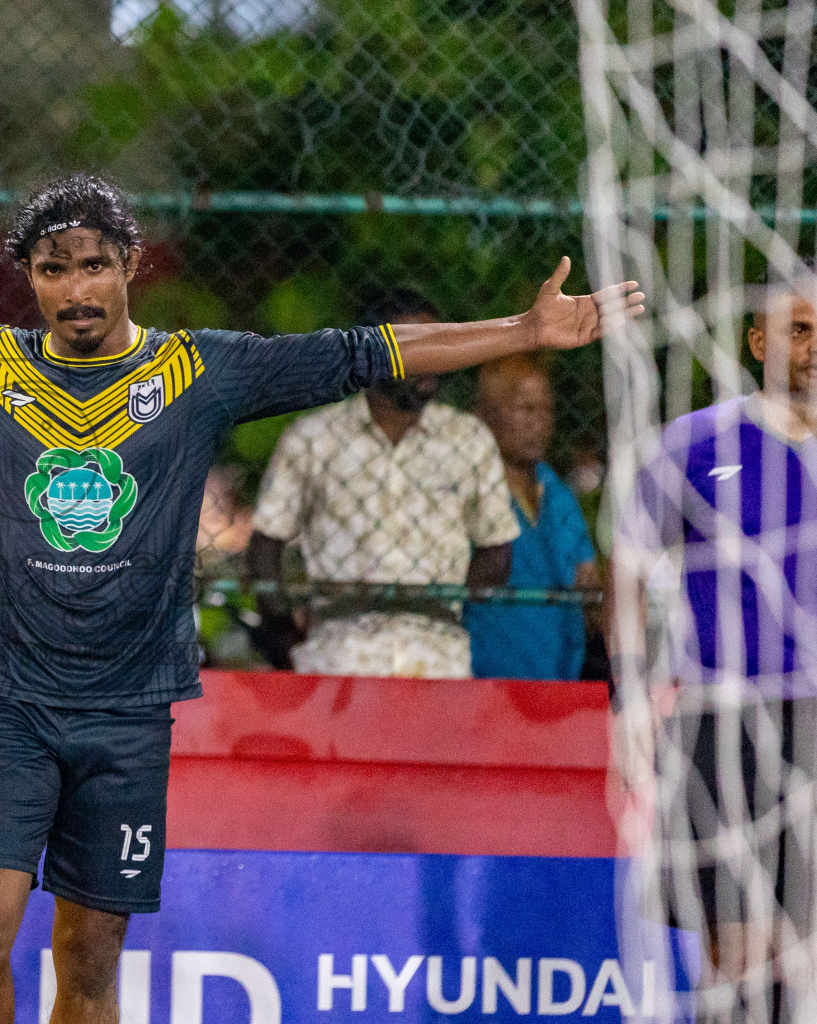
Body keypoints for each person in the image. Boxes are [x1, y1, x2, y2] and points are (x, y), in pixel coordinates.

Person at [0, 174, 642, 1024]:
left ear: (130, 266)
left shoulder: (202, 372)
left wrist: (522, 329)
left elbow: (366, 351)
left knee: (91, 957)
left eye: (94, 262)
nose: (76, 285)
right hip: (10, 704)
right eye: (54, 269)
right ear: (31, 280)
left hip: (131, 710)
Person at [623, 269, 817, 1019]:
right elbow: (631, 566)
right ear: (757, 339)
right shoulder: (697, 441)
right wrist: (632, 688)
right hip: (720, 718)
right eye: (798, 330)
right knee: (734, 956)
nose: (812, 347)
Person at [245, 290, 520, 678]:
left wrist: (442, 608)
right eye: (415, 348)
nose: (430, 361)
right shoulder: (312, 439)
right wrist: (284, 634)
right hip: (337, 656)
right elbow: (264, 546)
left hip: (437, 660)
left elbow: (498, 550)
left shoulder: (469, 438)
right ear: (375, 351)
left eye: (437, 345)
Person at [465, 355, 599, 680]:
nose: (539, 423)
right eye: (525, 409)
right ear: (484, 416)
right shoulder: (467, 486)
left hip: (559, 682)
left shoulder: (557, 493)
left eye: (546, 410)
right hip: (483, 683)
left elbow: (587, 580)